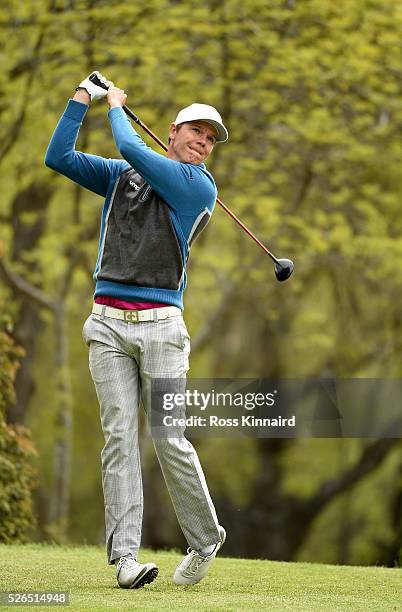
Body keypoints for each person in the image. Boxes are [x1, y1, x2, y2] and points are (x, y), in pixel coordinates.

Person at [45, 72, 228, 589]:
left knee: (169, 438)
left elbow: (127, 142)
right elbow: (58, 157)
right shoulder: (120, 177)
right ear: (172, 131)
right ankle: (125, 559)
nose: (203, 143)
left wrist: (116, 104)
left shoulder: (197, 187)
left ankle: (205, 536)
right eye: (196, 131)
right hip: (106, 324)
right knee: (118, 440)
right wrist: (82, 97)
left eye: (211, 139)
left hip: (163, 330)